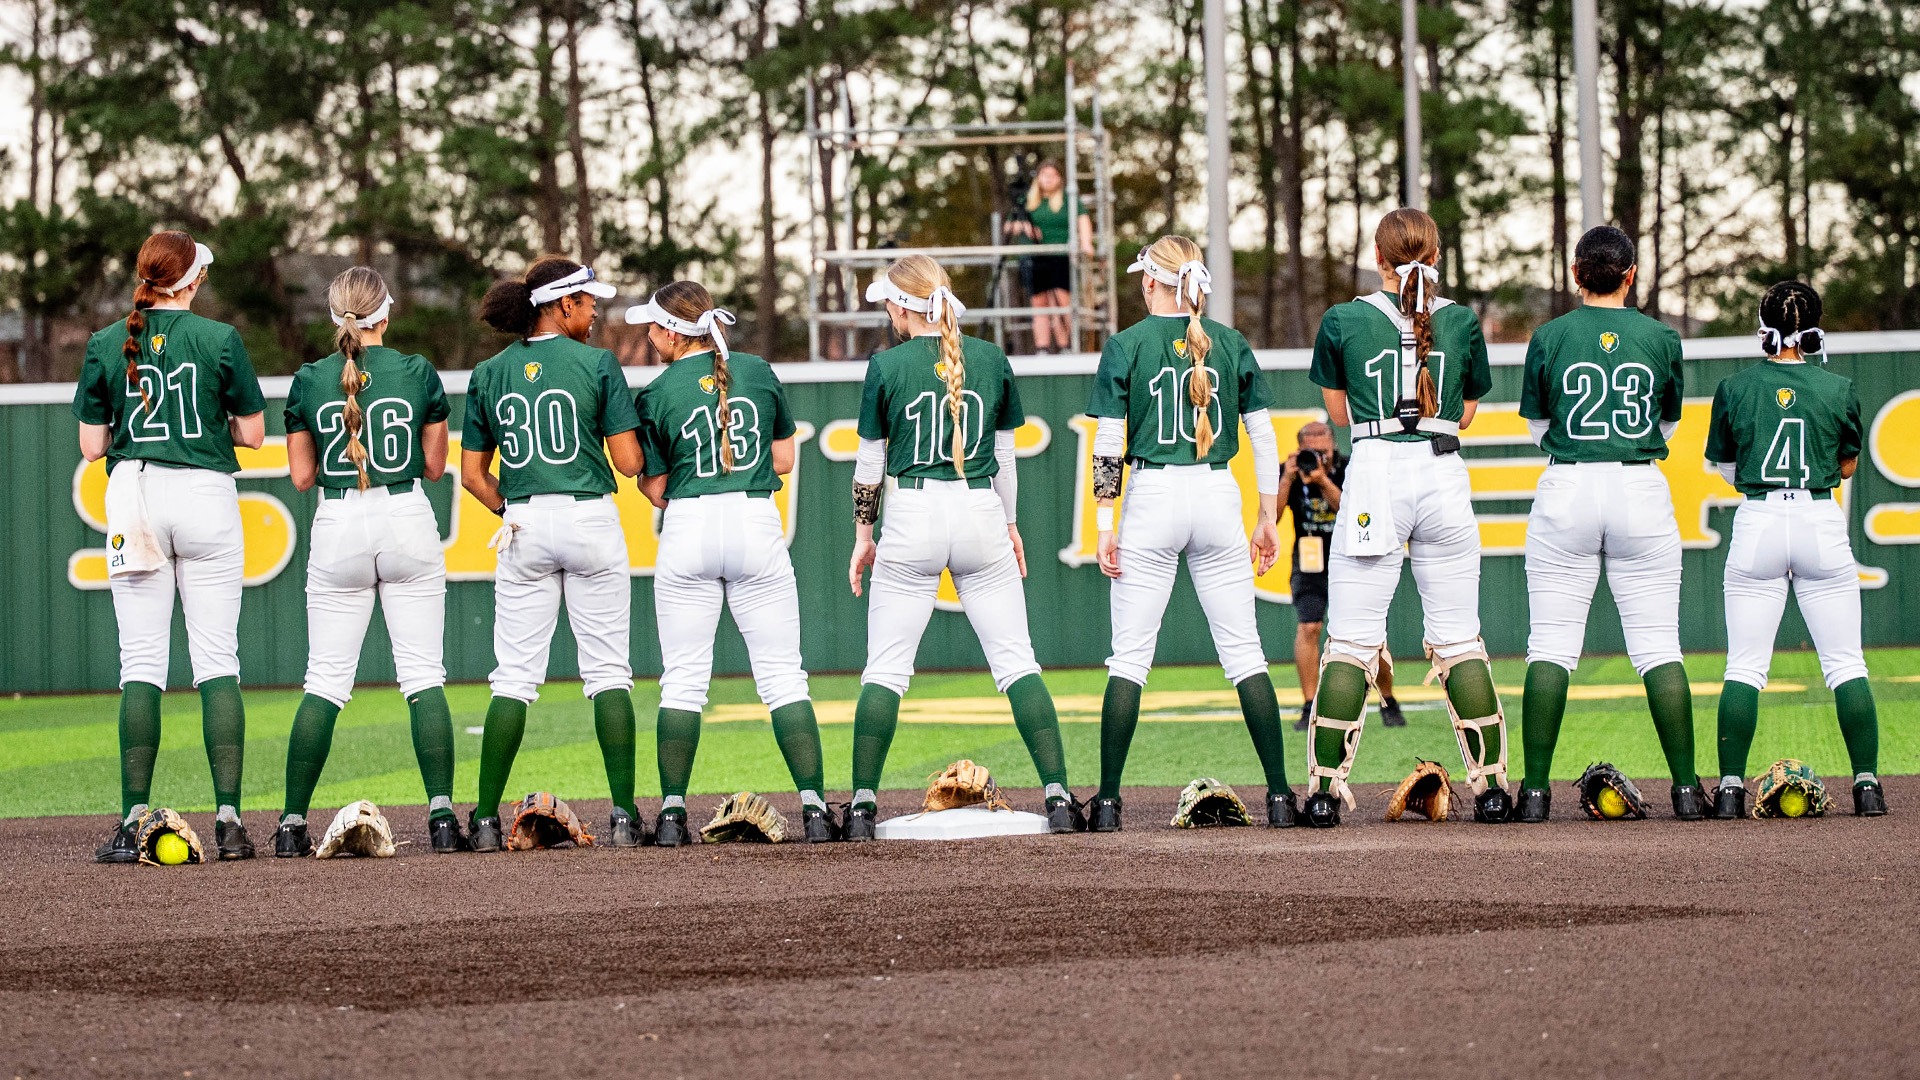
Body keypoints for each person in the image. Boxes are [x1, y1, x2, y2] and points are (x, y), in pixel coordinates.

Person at [845, 254, 1083, 838]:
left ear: (904, 304)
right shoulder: (991, 358)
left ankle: (860, 806)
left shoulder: (887, 364)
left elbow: (869, 465)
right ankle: (1058, 794)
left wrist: (861, 536)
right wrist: (1010, 523)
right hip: (979, 506)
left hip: (914, 512)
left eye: (890, 303)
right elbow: (1005, 459)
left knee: (885, 671)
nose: (888, 313)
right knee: (1017, 662)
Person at [1300, 208, 1507, 828]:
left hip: (1375, 471)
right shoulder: (1463, 321)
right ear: (1436, 255)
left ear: (1377, 255)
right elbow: (1466, 415)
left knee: (1353, 638)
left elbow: (1336, 415)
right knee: (1459, 636)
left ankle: (1324, 792)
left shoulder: (1343, 319)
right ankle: (1493, 789)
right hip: (1442, 472)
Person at [1085, 234, 1295, 832]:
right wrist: (1263, 515)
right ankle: (1279, 797)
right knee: (1245, 652)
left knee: (1129, 658)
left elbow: (1107, 444)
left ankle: (1106, 803)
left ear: (1151, 281)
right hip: (1215, 492)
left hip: (1152, 495)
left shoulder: (1127, 344)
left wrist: (1106, 523)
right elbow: (1263, 439)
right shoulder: (1228, 342)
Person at [74, 230, 266, 862]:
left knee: (140, 664)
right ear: (191, 280)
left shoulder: (106, 342)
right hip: (204, 493)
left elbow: (93, 448)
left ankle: (132, 820)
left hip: (134, 495)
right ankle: (231, 822)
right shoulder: (220, 339)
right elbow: (254, 434)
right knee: (217, 662)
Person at [627, 281, 836, 845]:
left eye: (653, 326)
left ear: (674, 330)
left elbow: (656, 486)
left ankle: (671, 817)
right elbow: (786, 458)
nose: (648, 336)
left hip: (690, 524)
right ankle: (815, 809)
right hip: (754, 521)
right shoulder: (758, 370)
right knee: (782, 676)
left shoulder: (655, 392)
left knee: (683, 681)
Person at [274, 267, 465, 858]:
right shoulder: (415, 371)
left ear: (336, 318)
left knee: (325, 684)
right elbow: (435, 469)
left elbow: (302, 477)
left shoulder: (308, 379)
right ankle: (439, 818)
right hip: (404, 512)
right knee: (424, 678)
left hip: (338, 522)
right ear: (387, 312)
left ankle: (289, 824)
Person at [1515, 225, 1703, 823]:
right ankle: (1686, 791)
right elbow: (1668, 422)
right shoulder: (1659, 335)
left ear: (1576, 274)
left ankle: (1536, 793)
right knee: (1657, 647)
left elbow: (1537, 427)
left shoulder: (1550, 335)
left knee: (1550, 646)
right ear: (1630, 274)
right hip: (1638, 482)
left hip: (1568, 481)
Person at [461, 256, 647, 851]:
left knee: (513, 678)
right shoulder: (597, 363)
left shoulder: (490, 372)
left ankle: (486, 820)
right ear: (562, 304)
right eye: (589, 302)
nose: (595, 312)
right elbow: (628, 463)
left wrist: (512, 510)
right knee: (609, 671)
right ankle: (622, 816)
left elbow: (471, 475)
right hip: (589, 515)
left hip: (523, 521)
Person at [1704, 282, 1884, 818]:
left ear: (1763, 329)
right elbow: (1847, 465)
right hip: (1818, 517)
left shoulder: (1736, 386)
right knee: (1846, 664)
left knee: (1744, 666)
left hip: (1759, 517)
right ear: (1814, 329)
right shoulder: (1838, 386)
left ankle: (1731, 789)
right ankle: (1868, 787)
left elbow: (1726, 467)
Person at [1281, 421, 1402, 733]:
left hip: (1352, 555)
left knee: (1373, 632)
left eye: (1323, 450)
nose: (1318, 457)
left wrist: (1321, 481)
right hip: (1310, 560)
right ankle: (1310, 704)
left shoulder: (1350, 468)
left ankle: (1387, 698)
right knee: (1309, 626)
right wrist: (1286, 479)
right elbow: (1273, 514)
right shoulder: (1289, 470)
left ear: (1333, 445)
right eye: (1311, 451)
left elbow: (1351, 510)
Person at [1002, 160, 1094, 354]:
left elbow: (1083, 219)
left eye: (1052, 176)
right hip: (1034, 257)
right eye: (1044, 175)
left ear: (1059, 178)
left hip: (1060, 255)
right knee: (1039, 303)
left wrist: (1086, 243)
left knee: (1061, 301)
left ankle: (1065, 345)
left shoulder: (1068, 199)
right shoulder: (1027, 199)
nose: (1048, 179)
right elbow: (1009, 226)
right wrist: (1025, 227)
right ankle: (1042, 347)